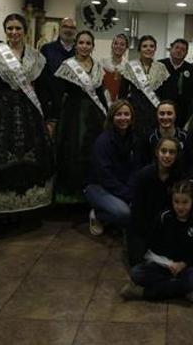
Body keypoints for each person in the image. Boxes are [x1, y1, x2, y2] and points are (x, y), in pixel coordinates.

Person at [0, 14, 54, 214]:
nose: (14, 32)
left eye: (18, 28)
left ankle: (28, 206)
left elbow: (42, 89)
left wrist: (49, 117)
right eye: (10, 29)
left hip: (29, 111)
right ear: (5, 31)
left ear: (25, 31)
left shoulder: (36, 57)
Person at [121, 180, 193, 303]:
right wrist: (166, 262)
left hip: (185, 267)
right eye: (176, 202)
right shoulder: (164, 217)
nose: (180, 207)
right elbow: (153, 245)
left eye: (185, 202)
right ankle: (181, 289)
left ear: (192, 201)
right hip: (163, 265)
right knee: (136, 273)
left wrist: (183, 264)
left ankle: (143, 292)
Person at [53, 30, 108, 205]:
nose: (84, 46)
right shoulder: (67, 65)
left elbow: (99, 93)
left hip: (94, 116)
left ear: (93, 46)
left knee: (93, 151)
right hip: (72, 114)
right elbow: (58, 94)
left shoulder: (98, 66)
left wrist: (107, 115)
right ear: (76, 45)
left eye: (88, 43)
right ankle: (71, 195)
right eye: (81, 43)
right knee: (72, 151)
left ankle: (90, 193)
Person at [128, 136, 185, 265]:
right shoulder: (144, 175)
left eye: (172, 152)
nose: (167, 155)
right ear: (156, 152)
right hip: (142, 228)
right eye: (163, 151)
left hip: (166, 227)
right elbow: (137, 213)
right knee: (138, 266)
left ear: (177, 155)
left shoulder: (179, 178)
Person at [85, 100, 137, 235]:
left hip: (121, 187)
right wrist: (127, 195)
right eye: (118, 114)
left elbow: (135, 168)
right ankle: (97, 215)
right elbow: (105, 176)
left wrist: (131, 191)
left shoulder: (134, 139)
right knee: (125, 214)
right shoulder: (103, 142)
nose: (123, 118)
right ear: (112, 117)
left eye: (126, 114)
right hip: (98, 187)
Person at [118, 35, 168, 147]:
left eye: (151, 46)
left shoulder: (161, 68)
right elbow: (122, 94)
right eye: (145, 46)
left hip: (155, 113)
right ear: (139, 49)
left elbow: (165, 94)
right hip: (135, 112)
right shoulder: (129, 67)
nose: (148, 49)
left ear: (155, 49)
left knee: (154, 145)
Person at [159, 38, 193, 127]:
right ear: (171, 49)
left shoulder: (191, 70)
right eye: (177, 48)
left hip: (182, 114)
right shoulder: (159, 65)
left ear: (186, 53)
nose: (179, 51)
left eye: (183, 49)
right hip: (162, 112)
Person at [141, 101, 189, 168]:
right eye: (162, 114)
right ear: (157, 116)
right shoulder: (148, 138)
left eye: (169, 113)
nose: (165, 117)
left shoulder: (186, 137)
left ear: (175, 116)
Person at [100, 33, 129, 103]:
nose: (118, 46)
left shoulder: (128, 67)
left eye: (122, 44)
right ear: (112, 46)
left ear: (126, 48)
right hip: (103, 101)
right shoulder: (102, 62)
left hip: (120, 102)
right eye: (116, 43)